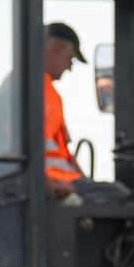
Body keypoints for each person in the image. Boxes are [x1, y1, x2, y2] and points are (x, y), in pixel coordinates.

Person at [44, 23, 87, 197]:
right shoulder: (26, 88)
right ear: (57, 49)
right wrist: (44, 181)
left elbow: (65, 153)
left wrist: (86, 181)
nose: (70, 67)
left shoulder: (50, 94)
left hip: (64, 180)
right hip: (53, 183)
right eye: (71, 58)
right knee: (121, 197)